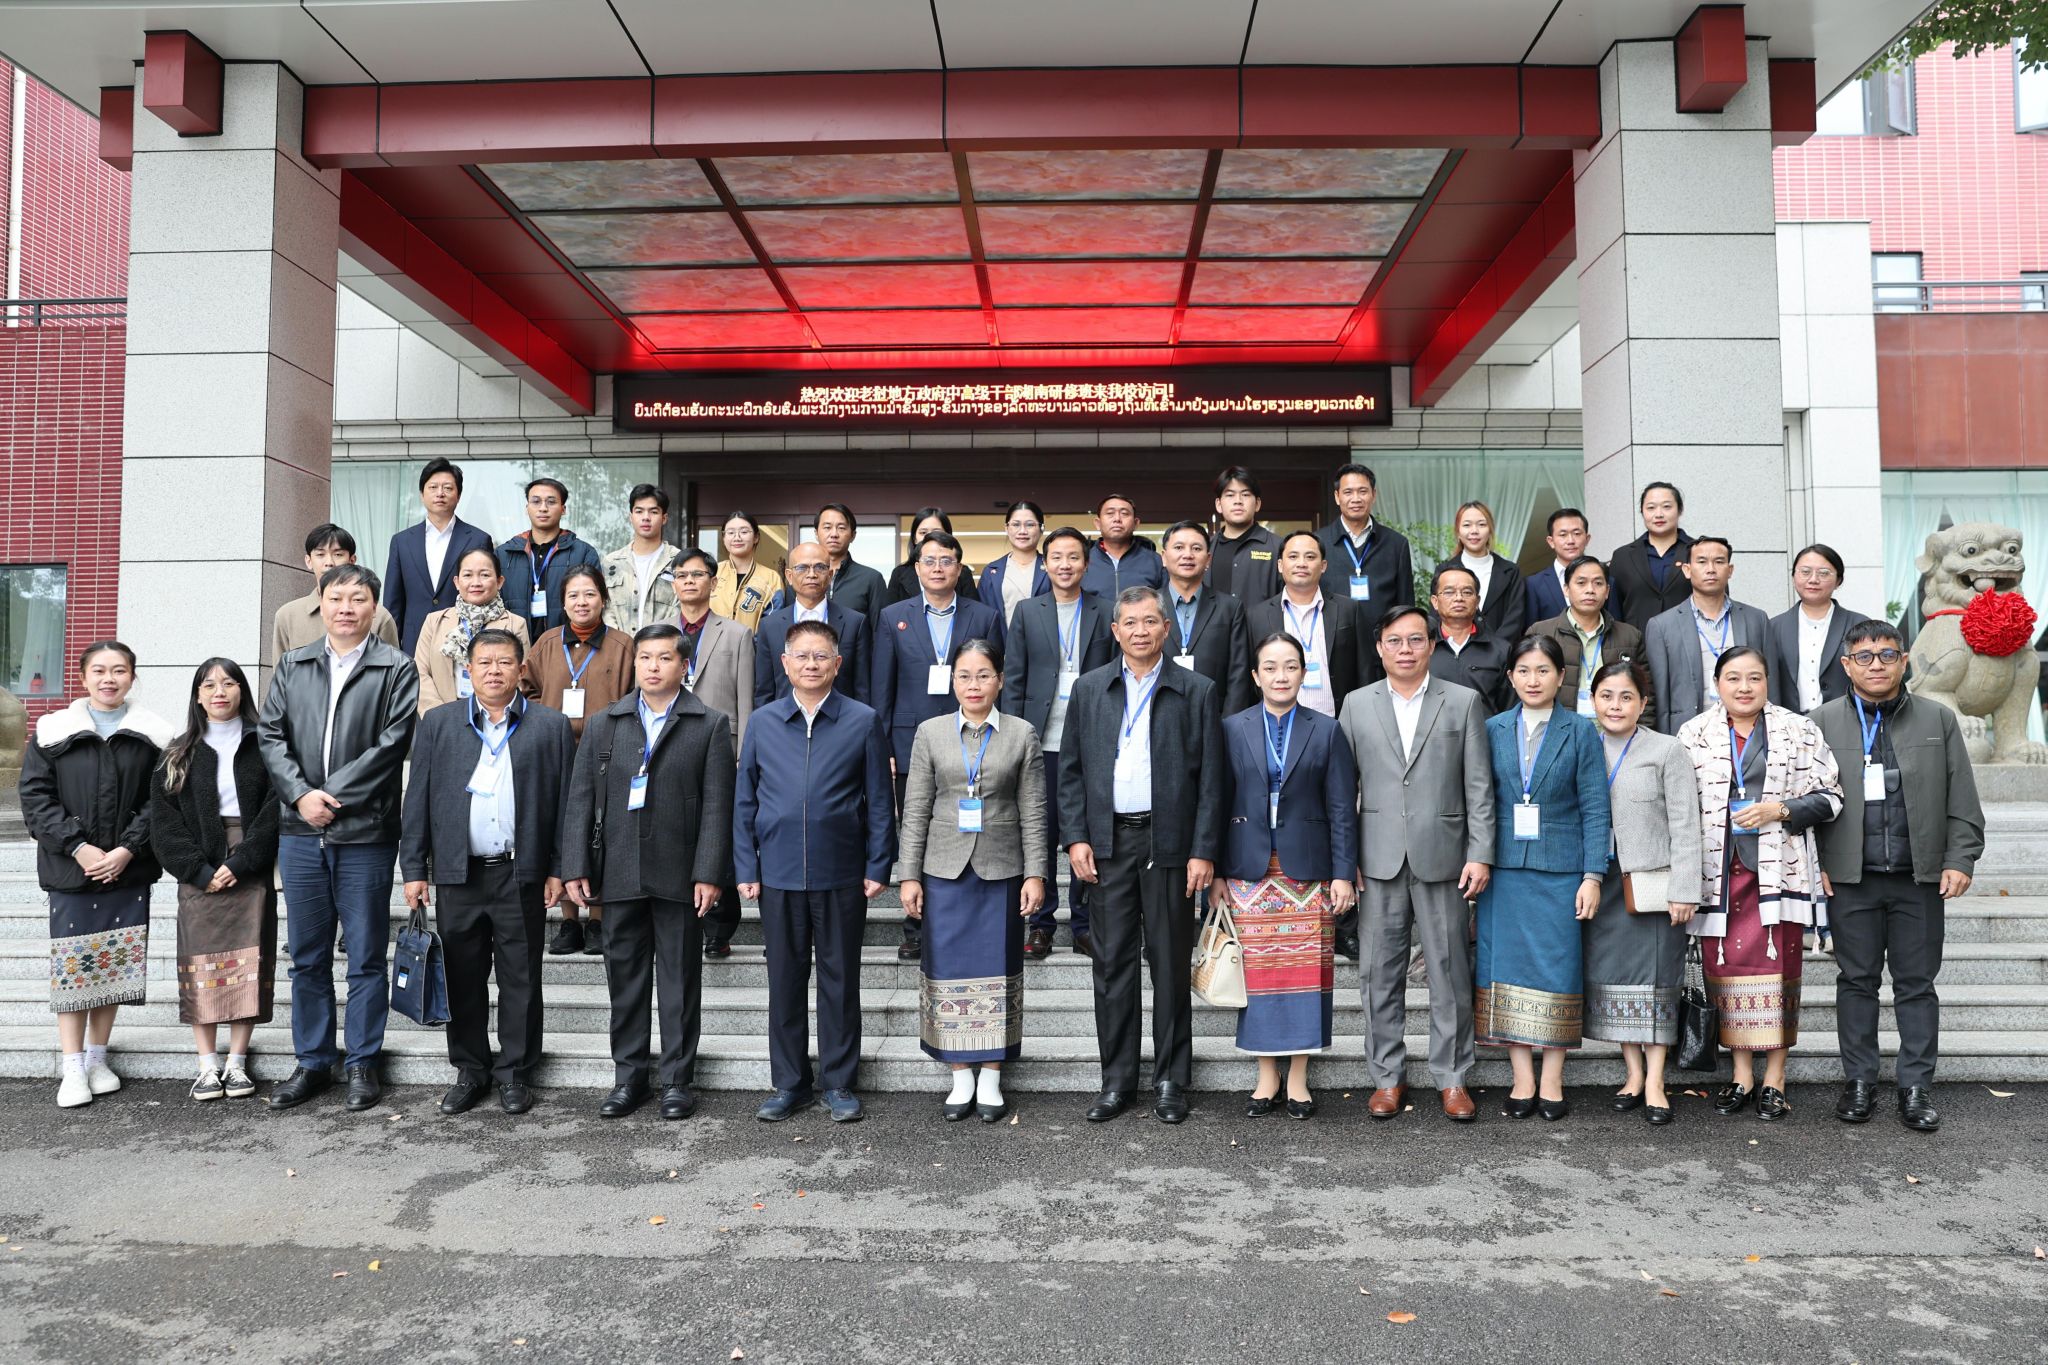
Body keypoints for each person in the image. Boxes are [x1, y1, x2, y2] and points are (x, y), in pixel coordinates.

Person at [257, 565, 420, 1113]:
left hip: (366, 831)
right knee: (307, 956)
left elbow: (393, 742)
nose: (346, 607)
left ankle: (363, 1062)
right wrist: (301, 796)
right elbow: (270, 734)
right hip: (300, 832)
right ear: (321, 603)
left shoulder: (395, 667)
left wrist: (330, 795)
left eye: (357, 598)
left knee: (367, 955)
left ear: (374, 608)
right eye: (336, 597)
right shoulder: (294, 664)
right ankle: (313, 1061)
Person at [1060, 586, 1224, 1125]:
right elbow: (1071, 773)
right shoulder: (1089, 689)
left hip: (1169, 843)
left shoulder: (1195, 690)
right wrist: (1077, 838)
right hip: (1107, 843)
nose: (1140, 631)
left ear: (1166, 628)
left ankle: (1172, 1079)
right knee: (1111, 964)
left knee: (1171, 963)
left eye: (1150, 621)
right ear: (1115, 631)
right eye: (1129, 622)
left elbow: (1211, 781)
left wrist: (1203, 849)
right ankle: (1117, 1081)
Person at [1814, 621, 1984, 1132]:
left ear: (1904, 661)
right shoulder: (1820, 722)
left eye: (1887, 655)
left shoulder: (1937, 719)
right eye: (1864, 657)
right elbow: (1806, 800)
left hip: (1918, 878)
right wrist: (1816, 865)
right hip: (1850, 879)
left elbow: (1962, 798)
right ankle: (1859, 1081)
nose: (1876, 665)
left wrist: (1959, 859)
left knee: (1916, 985)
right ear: (1847, 665)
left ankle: (1915, 1087)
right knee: (1856, 982)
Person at [561, 624, 735, 1121]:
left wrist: (709, 872)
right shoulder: (606, 721)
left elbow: (718, 806)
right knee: (625, 981)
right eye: (645, 658)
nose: (653, 666)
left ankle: (677, 1080)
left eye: (664, 658)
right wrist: (575, 864)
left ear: (684, 666)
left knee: (679, 982)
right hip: (618, 871)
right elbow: (580, 798)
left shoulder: (708, 724)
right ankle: (629, 1078)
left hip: (680, 873)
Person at [400, 628, 575, 1117]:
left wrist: (558, 869)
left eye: (504, 662)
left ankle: (515, 1072)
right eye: (484, 663)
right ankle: (471, 1069)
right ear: (468, 670)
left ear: (521, 669)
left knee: (521, 977)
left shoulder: (550, 726)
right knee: (462, 976)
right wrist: (414, 869)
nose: (494, 671)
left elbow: (565, 805)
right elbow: (417, 800)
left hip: (520, 873)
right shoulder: (438, 723)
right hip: (458, 873)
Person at [735, 620, 895, 1125]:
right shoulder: (763, 722)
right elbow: (744, 800)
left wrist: (879, 863)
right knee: (784, 981)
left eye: (821, 656)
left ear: (837, 664)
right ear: (784, 664)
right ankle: (789, 1084)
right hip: (777, 873)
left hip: (841, 872)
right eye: (801, 656)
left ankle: (839, 1082)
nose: (811, 664)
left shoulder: (862, 720)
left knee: (840, 981)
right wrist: (746, 865)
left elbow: (879, 801)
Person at [1338, 606, 1493, 1121]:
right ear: (1379, 647)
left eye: (1415, 640)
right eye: (1394, 640)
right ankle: (1387, 1077)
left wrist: (1480, 853)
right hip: (1376, 859)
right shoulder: (1357, 704)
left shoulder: (1462, 701)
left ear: (1431, 645)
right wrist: (1344, 859)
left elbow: (1479, 787)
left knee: (1449, 971)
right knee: (1378, 974)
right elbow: (1342, 790)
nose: (1405, 649)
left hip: (1445, 857)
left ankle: (1453, 1078)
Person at [1678, 646, 1843, 1123]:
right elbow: (1678, 806)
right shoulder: (1694, 734)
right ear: (1717, 684)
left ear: (1768, 682)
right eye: (1733, 678)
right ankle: (1741, 1076)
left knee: (1778, 973)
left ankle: (1775, 1078)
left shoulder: (1798, 729)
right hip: (1717, 873)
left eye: (1754, 677)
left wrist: (1780, 810)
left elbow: (1832, 796)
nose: (1744, 687)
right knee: (1726, 972)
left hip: (1777, 871)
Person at [898, 639, 1048, 1122]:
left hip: (1001, 869)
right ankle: (960, 1073)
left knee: (999, 969)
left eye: (984, 675)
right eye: (964, 675)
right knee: (946, 970)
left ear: (999, 680)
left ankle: (992, 1076)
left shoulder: (1022, 734)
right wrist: (908, 875)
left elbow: (1034, 811)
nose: (974, 685)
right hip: (943, 870)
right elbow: (915, 809)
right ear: (952, 681)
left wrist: (1036, 873)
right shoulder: (930, 732)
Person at [21, 641, 174, 1108]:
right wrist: (78, 847)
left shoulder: (154, 734)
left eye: (120, 670)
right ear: (83, 677)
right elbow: (36, 797)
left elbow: (161, 799)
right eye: (100, 671)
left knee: (113, 966)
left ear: (132, 676)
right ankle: (71, 1067)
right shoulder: (53, 731)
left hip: (127, 871)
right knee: (74, 970)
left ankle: (97, 1058)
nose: (110, 679)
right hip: (71, 869)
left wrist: (128, 849)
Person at [1217, 633, 1357, 1119]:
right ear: (1256, 676)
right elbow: (1217, 801)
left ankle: (1297, 1077)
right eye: (1271, 667)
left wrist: (1343, 873)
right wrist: (1216, 872)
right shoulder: (1231, 728)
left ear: (1304, 673)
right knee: (1258, 976)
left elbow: (1342, 807)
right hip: (1248, 870)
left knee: (1305, 974)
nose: (1281, 676)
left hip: (1308, 873)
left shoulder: (1327, 730)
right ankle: (1266, 1077)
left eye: (1291, 666)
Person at [1474, 635, 1610, 1120]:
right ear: (1511, 676)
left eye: (1544, 670)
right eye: (1524, 670)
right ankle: (1522, 1078)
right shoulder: (1490, 728)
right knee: (1506, 970)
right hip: (1504, 869)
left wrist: (1593, 874)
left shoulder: (1581, 731)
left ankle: (1552, 1078)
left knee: (1557, 970)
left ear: (1561, 676)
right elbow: (1478, 800)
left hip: (1561, 870)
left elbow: (1595, 807)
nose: (1534, 680)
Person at [148, 658, 280, 1105]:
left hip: (249, 863)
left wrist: (243, 861)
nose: (219, 691)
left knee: (249, 962)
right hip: (198, 864)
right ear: (198, 695)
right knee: (200, 966)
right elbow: (164, 823)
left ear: (242, 690)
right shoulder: (177, 751)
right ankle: (207, 1064)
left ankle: (237, 1061)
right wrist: (199, 871)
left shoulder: (265, 743)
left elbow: (275, 809)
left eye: (228, 683)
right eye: (208, 685)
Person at [1580, 659, 1703, 1126]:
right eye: (1607, 696)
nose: (1616, 705)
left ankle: (1655, 1081)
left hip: (1652, 885)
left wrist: (1685, 888)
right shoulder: (1583, 745)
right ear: (1593, 700)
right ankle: (1632, 1073)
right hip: (1600, 882)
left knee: (1654, 982)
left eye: (1626, 697)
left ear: (1643, 703)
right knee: (1615, 981)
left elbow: (1686, 825)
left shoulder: (1667, 750)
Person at [873, 529, 1002, 961]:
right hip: (910, 740)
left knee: (968, 829)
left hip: (973, 738)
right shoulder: (893, 616)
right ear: (916, 568)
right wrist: (885, 747)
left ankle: (965, 918)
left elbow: (993, 678)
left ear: (959, 568)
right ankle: (915, 927)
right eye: (929, 561)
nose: (938, 568)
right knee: (917, 829)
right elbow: (882, 686)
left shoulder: (984, 616)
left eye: (947, 560)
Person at [1001, 526, 1114, 960]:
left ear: (1086, 563)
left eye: (1073, 557)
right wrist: (1012, 736)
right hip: (1039, 741)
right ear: (1044, 563)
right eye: (1057, 557)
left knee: (1087, 833)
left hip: (1091, 742)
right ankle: (1042, 924)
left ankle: (1085, 924)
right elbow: (1014, 678)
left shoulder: (1106, 610)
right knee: (1041, 834)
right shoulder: (1028, 611)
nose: (1065, 565)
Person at [521, 564, 633, 957]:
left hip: (607, 752)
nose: (581, 602)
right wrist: (545, 719)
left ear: (603, 598)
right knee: (562, 832)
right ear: (563, 602)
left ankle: (598, 919)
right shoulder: (547, 643)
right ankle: (569, 920)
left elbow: (635, 696)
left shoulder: (623, 645)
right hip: (555, 752)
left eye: (589, 594)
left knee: (601, 833)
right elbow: (527, 689)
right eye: (573, 595)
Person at [671, 547, 755, 958]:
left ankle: (720, 928)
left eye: (697, 574)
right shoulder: (658, 632)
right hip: (671, 746)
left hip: (723, 746)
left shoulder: (736, 634)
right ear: (674, 584)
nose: (689, 581)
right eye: (682, 575)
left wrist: (744, 754)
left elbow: (746, 699)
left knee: (718, 831)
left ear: (713, 581)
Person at [1645, 536, 1782, 734]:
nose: (1711, 569)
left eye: (1719, 561)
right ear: (1687, 570)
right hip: (1690, 731)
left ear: (1730, 570)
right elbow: (1659, 694)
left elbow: (1772, 685)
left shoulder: (1756, 619)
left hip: (1748, 730)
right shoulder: (1662, 626)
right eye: (1702, 562)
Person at [1247, 530, 1368, 721]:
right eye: (1293, 556)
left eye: (1310, 557)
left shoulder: (1348, 609)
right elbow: (1249, 677)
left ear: (1323, 566)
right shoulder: (1257, 615)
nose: (1301, 563)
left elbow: (1365, 669)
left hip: (1338, 721)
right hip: (1278, 722)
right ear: (1280, 565)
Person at [383, 458, 493, 653]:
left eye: (447, 488)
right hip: (414, 642)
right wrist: (391, 651)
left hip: (464, 641)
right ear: (422, 494)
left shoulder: (478, 539)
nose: (440, 493)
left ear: (459, 495)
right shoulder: (402, 541)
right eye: (433, 487)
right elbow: (393, 602)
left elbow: (488, 597)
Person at [412, 545, 531, 714]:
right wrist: (440, 716)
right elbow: (420, 672)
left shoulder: (515, 624)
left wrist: (492, 715)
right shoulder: (434, 621)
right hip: (441, 716)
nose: (476, 583)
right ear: (456, 582)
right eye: (468, 575)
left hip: (495, 717)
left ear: (499, 582)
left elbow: (521, 678)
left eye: (485, 575)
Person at [754, 540, 869, 708]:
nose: (812, 574)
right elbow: (764, 690)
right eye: (802, 568)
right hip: (785, 720)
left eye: (820, 567)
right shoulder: (769, 625)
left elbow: (862, 688)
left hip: (841, 719)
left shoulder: (855, 623)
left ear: (830, 575)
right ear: (789, 576)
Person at [1315, 462, 1415, 654]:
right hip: (1332, 648)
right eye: (1348, 492)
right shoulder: (1318, 543)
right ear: (1337, 497)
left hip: (1383, 648)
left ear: (1373, 495)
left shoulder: (1396, 544)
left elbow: (1405, 603)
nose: (1356, 499)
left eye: (1362, 491)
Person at [1159, 519, 1254, 715]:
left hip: (1213, 716)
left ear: (1208, 559)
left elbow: (1238, 674)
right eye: (1179, 547)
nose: (1187, 555)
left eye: (1196, 548)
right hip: (1158, 715)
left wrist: (1228, 724)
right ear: (1164, 557)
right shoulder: (1148, 606)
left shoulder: (1230, 608)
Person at [1528, 555, 1644, 715]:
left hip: (1614, 725)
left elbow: (1645, 692)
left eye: (1598, 583)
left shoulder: (1630, 636)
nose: (1590, 590)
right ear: (1566, 589)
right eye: (1581, 583)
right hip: (1559, 726)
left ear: (1607, 591)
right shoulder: (1540, 633)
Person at [1770, 544, 1871, 713]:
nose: (1813, 579)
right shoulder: (1773, 627)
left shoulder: (1860, 625)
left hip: (1846, 719)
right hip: (1790, 722)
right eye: (1805, 572)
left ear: (1838, 581)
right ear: (1793, 577)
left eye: (1823, 573)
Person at [498, 476, 602, 637]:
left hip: (566, 643)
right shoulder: (504, 554)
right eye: (536, 501)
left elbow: (595, 602)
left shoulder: (583, 552)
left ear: (563, 509)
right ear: (527, 508)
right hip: (513, 643)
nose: (543, 508)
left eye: (551, 502)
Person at [274, 524, 398, 658]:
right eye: (320, 554)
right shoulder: (287, 616)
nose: (329, 562)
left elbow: (392, 666)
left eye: (338, 554)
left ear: (352, 560)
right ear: (308, 561)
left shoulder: (379, 617)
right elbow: (281, 669)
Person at [1606, 482, 1696, 636]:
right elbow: (1612, 609)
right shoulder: (1623, 556)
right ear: (1642, 511)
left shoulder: (1698, 552)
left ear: (1680, 510)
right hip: (1637, 644)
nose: (1658, 514)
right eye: (1651, 507)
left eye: (1666, 507)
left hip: (1688, 641)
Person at [1436, 500, 1527, 646]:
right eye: (1467, 525)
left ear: (1490, 530)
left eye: (1481, 524)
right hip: (1454, 650)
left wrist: (1497, 649)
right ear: (1458, 532)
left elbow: (1515, 617)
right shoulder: (1444, 571)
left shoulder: (1510, 571)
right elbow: (1437, 615)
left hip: (1502, 653)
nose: (1474, 531)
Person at [1426, 562, 1511, 714]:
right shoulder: (1421, 649)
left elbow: (1510, 710)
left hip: (1484, 729)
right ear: (1435, 602)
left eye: (1467, 592)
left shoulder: (1501, 650)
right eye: (1449, 592)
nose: (1459, 598)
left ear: (1477, 601)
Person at [599, 483, 680, 633]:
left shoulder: (678, 561)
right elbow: (606, 608)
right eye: (639, 511)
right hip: (618, 645)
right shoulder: (611, 563)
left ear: (664, 518)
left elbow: (681, 607)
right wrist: (618, 642)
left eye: (653, 512)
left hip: (664, 643)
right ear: (631, 517)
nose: (646, 518)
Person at [1207, 466, 1282, 605]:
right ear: (1218, 504)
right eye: (1230, 495)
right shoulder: (1206, 548)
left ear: (1257, 504)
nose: (1238, 501)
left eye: (1246, 495)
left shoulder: (1278, 547)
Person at [887, 508, 983, 608]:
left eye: (937, 532)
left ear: (948, 536)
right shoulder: (899, 574)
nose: (929, 537)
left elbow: (973, 611)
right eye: (923, 532)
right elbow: (891, 612)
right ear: (914, 538)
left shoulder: (963, 573)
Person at [710, 509, 785, 634]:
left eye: (744, 532)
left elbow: (772, 625)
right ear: (723, 538)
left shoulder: (771, 578)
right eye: (731, 532)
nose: (737, 537)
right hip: (710, 645)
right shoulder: (712, 572)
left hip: (751, 646)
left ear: (756, 537)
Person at [977, 499, 1050, 626]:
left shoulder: (1052, 567)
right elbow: (983, 616)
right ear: (1006, 528)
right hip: (1002, 638)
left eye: (1030, 525)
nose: (1022, 531)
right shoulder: (991, 571)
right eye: (1016, 525)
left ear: (1041, 528)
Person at [814, 502, 887, 627]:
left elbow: (881, 629)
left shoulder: (871, 579)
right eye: (827, 527)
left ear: (853, 535)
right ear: (816, 533)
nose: (834, 534)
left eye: (841, 528)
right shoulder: (803, 578)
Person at [1080, 493, 1163, 601]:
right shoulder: (1083, 560)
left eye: (1124, 513)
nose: (1117, 519)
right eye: (1110, 513)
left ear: (1135, 523)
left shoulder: (1155, 561)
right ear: (1098, 523)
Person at [1524, 507, 1591, 625]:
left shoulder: (1606, 579)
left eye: (1576, 533)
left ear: (1587, 539)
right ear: (1551, 542)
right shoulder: (1534, 584)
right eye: (1563, 535)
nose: (1570, 540)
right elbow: (1530, 630)